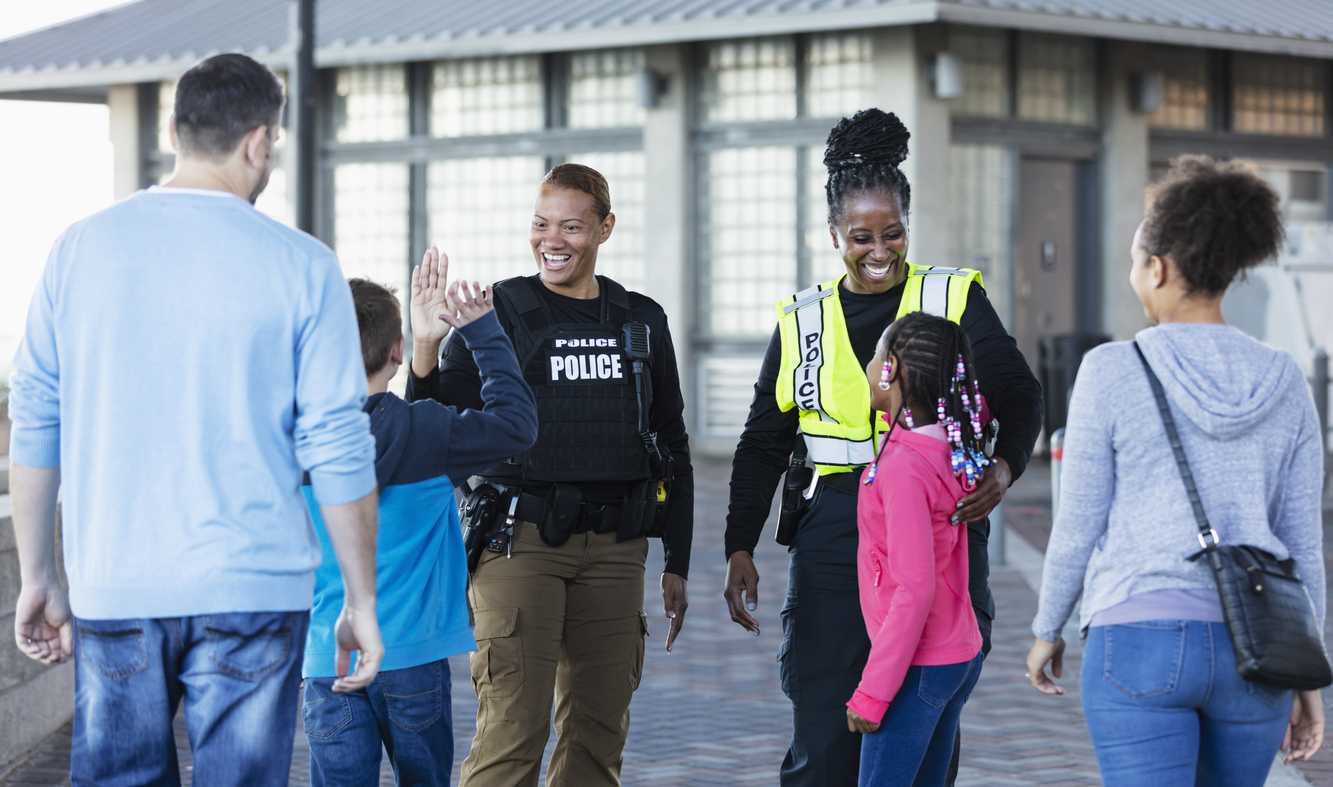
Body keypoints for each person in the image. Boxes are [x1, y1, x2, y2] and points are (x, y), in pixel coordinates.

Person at [8, 54, 383, 786]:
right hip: (253, 586)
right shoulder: (304, 266)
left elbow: (36, 417)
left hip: (117, 580)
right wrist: (360, 598)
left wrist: (39, 575)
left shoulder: (80, 249)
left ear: (176, 132)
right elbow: (337, 446)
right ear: (259, 142)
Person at [722, 108, 1043, 786]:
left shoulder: (950, 294)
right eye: (859, 236)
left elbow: (1017, 392)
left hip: (937, 529)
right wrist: (738, 544)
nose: (877, 250)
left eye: (891, 232)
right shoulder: (800, 319)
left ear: (908, 221)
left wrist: (1005, 466)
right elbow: (761, 441)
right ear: (832, 231)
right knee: (824, 726)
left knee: (919, 732)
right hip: (835, 532)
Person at [1027, 155, 1326, 786]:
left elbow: (1078, 521)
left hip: (1136, 637)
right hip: (1258, 647)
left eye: (1137, 262)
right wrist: (1310, 669)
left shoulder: (1111, 369)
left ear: (1157, 268)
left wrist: (1048, 626)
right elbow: (1303, 544)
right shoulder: (1286, 381)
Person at [406, 163, 694, 787]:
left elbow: (671, 442)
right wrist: (425, 344)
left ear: (605, 228)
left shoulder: (641, 320)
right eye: (541, 225)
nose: (552, 240)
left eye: (571, 226)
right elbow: (433, 426)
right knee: (515, 729)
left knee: (597, 734)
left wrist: (678, 559)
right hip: (520, 543)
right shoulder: (497, 312)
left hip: (619, 549)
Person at [301, 272, 538, 787]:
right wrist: (482, 330)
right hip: (413, 656)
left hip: (326, 657)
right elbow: (517, 422)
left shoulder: (292, 437)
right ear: (396, 352)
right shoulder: (429, 433)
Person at [847, 311, 987, 787]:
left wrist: (872, 693)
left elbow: (914, 588)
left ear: (890, 370)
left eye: (874, 356)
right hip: (952, 656)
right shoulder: (945, 445)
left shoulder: (905, 466)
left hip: (918, 665)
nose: (867, 366)